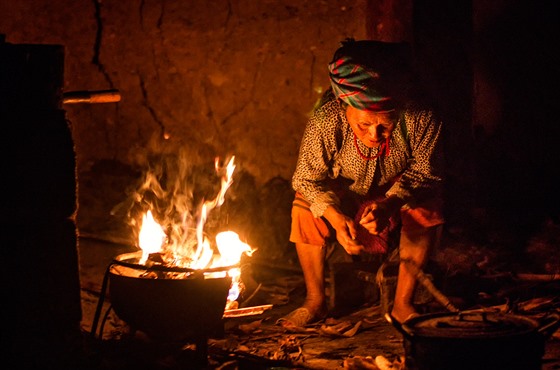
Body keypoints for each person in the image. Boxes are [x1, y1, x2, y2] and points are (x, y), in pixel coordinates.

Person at [277, 39, 445, 328]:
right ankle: (315, 302)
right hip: (346, 193)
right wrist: (334, 215)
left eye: (385, 125)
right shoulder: (326, 120)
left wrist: (389, 204)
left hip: (396, 190)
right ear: (344, 106)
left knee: (426, 208)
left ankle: (403, 304)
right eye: (364, 125)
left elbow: (426, 173)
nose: (374, 134)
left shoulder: (422, 116)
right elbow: (306, 177)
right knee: (303, 207)